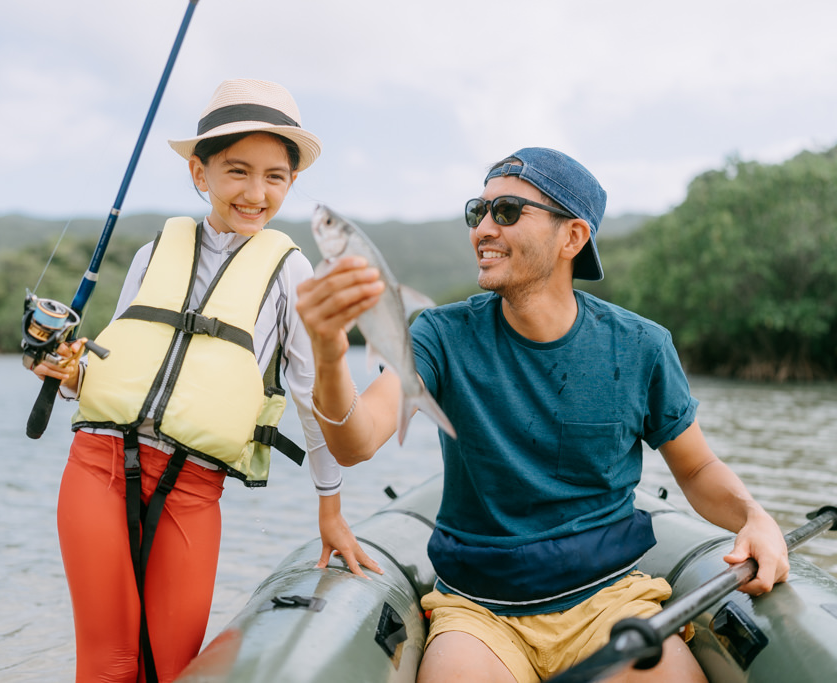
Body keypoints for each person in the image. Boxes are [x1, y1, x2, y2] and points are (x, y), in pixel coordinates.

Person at [295, 147, 790, 683]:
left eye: (505, 212)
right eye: (476, 212)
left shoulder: (642, 346)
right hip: (477, 612)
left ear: (572, 238)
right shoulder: (438, 335)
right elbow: (356, 442)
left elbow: (695, 469)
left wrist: (753, 517)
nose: (482, 228)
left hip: (611, 600)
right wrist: (328, 349)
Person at [32, 79, 380, 683]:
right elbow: (112, 365)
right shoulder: (154, 252)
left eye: (274, 176)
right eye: (236, 171)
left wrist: (330, 509)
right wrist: (69, 371)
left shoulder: (293, 273)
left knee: (174, 669)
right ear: (201, 171)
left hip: (193, 491)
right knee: (111, 662)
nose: (254, 192)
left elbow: (311, 399)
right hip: (98, 467)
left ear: (292, 182)